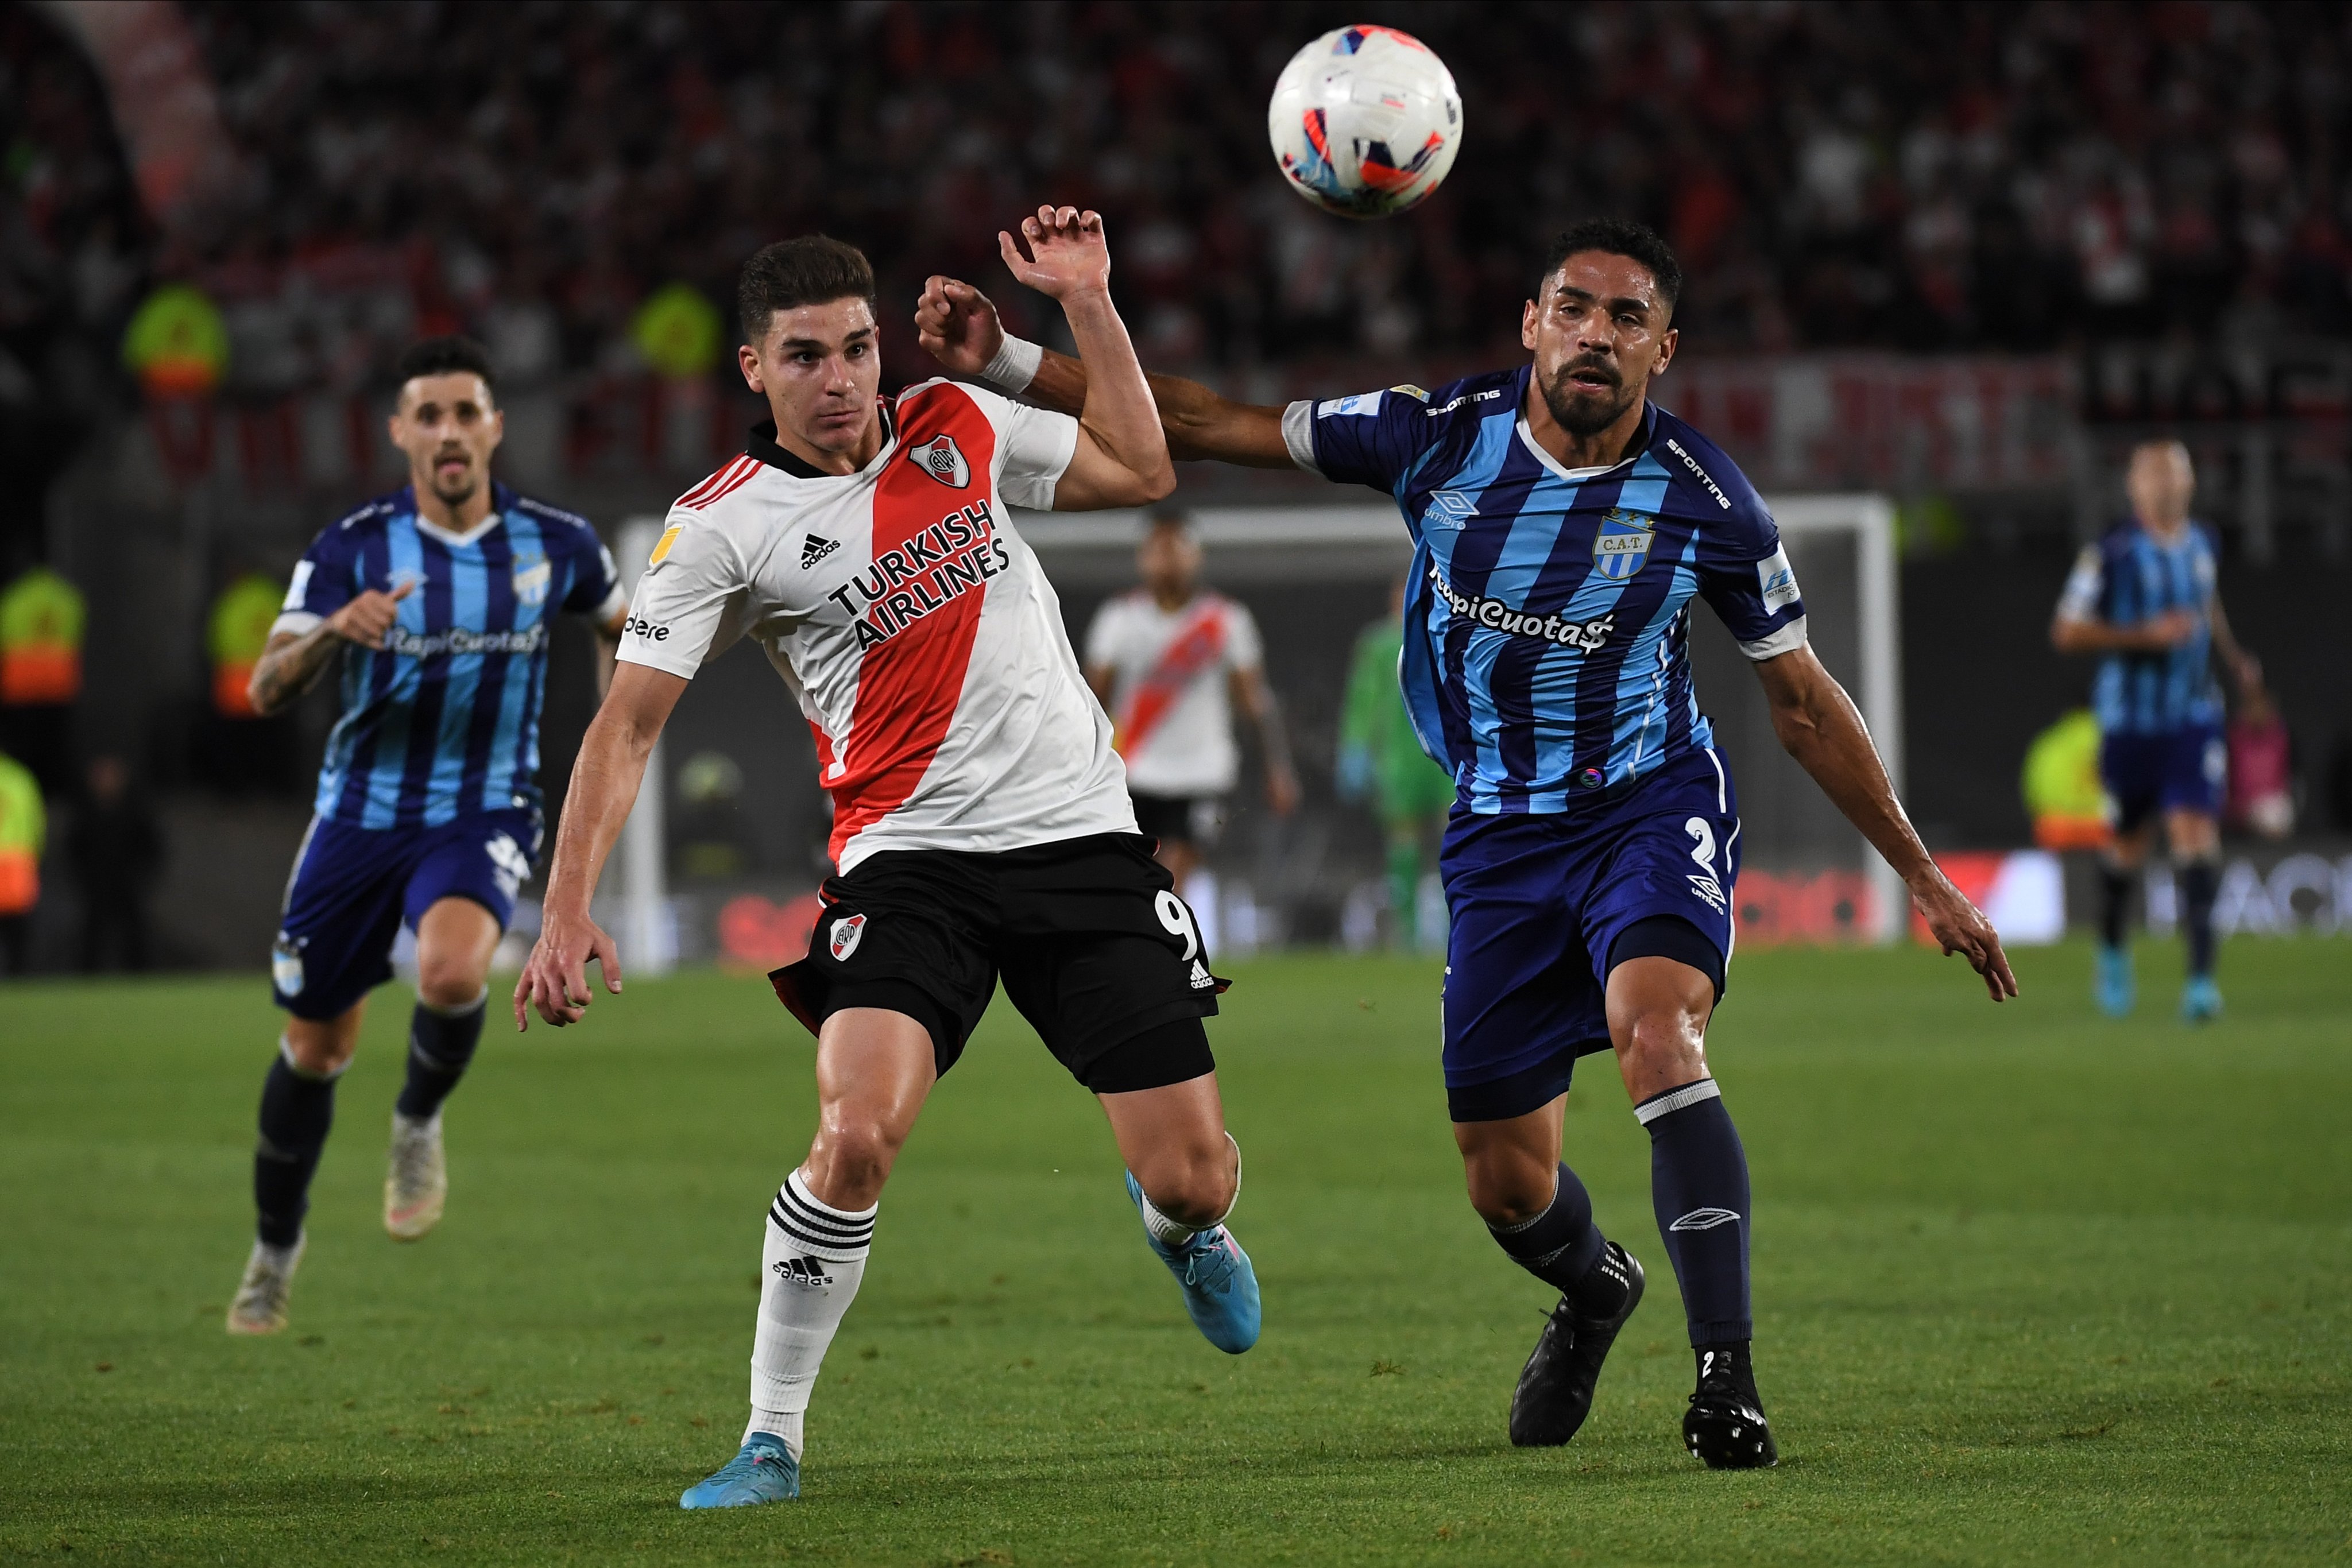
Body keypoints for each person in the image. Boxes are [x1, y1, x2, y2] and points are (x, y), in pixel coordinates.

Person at [920, 215, 2015, 1470]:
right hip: (1496, 836)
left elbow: (1802, 700)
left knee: (1656, 1034)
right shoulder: (1433, 435)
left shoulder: (1706, 501)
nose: (1593, 334)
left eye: (1624, 317)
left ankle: (1726, 1379)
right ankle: (1596, 1289)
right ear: (1528, 323)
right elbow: (1216, 422)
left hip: (1644, 808)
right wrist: (1008, 354)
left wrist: (1921, 874)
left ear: (1664, 347)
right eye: (1573, 307)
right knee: (1504, 1184)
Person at [515, 215, 1260, 1511]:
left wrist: (1077, 305)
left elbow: (1143, 466)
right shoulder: (720, 530)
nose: (840, 377)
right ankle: (770, 1437)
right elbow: (627, 723)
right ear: (753, 368)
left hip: (1080, 840)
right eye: (803, 356)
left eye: (856, 347)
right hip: (908, 864)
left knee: (1194, 1175)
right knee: (854, 1136)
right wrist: (565, 908)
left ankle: (1177, 1229)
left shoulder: (955, 424)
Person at [223, 335, 628, 1335]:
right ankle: (275, 1249)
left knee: (451, 975)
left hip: (485, 807)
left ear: (495, 426)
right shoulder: (351, 548)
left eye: (467, 413)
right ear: (401, 432)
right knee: (316, 1048)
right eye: (430, 415)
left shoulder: (559, 543)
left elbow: (630, 626)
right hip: (357, 819)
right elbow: (263, 688)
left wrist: (645, 690)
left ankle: (416, 1120)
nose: (450, 432)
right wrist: (329, 632)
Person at [2052, 439, 2257, 1021]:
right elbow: (2066, 631)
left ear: (2190, 482)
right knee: (2127, 849)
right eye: (2154, 475)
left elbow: (2207, 603)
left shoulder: (2202, 542)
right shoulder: (2111, 554)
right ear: (2133, 487)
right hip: (2129, 725)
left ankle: (2200, 983)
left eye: (2175, 473)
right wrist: (2144, 635)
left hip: (2192, 718)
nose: (2166, 484)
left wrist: (2234, 657)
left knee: (2196, 838)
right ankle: (2113, 951)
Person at [1082, 506, 1297, 903]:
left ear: (1195, 555)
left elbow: (1255, 701)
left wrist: (1277, 768)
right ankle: (1154, 949)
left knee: (1175, 875)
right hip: (1135, 771)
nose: (1168, 558)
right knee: (1140, 877)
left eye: (1177, 547)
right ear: (1142, 556)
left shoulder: (1225, 619)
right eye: (1158, 548)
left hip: (1204, 771)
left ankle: (1161, 952)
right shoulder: (1119, 619)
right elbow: (1092, 702)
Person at [1338, 574, 1458, 950]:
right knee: (1402, 844)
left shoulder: (1446, 630)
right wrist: (1355, 747)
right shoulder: (1377, 643)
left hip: (1444, 754)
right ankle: (1407, 933)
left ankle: (1450, 930)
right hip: (1397, 758)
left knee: (1451, 841)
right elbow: (1363, 698)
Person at [65, 754, 162, 971]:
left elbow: (152, 849)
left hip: (128, 886)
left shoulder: (136, 812)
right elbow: (74, 851)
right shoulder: (86, 814)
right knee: (92, 939)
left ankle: (142, 983)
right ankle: (88, 985)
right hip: (96, 886)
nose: (106, 781)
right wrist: (85, 878)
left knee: (135, 938)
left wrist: (140, 877)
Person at [0, 745, 41, 973]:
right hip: (17, 864)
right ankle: (21, 981)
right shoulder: (20, 778)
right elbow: (36, 822)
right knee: (17, 935)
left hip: (14, 865)